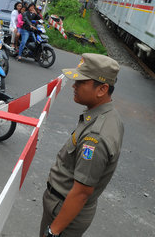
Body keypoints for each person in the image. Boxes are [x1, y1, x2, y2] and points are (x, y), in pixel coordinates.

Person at [40, 53, 124, 237]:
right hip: (62, 206)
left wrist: (54, 232)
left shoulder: (96, 137)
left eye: (81, 82)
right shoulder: (108, 115)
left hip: (63, 213)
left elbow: (81, 192)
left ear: (102, 89)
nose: (74, 85)